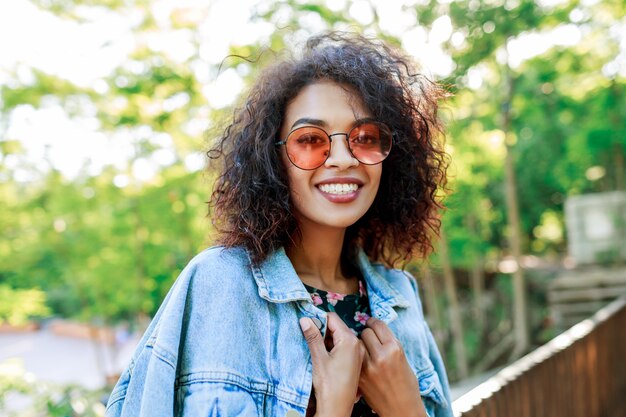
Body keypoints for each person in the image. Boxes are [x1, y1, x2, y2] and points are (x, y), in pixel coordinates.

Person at [105, 32, 452, 417]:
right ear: (273, 160)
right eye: (309, 139)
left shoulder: (400, 297)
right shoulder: (216, 286)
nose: (341, 158)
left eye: (365, 137)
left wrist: (407, 410)